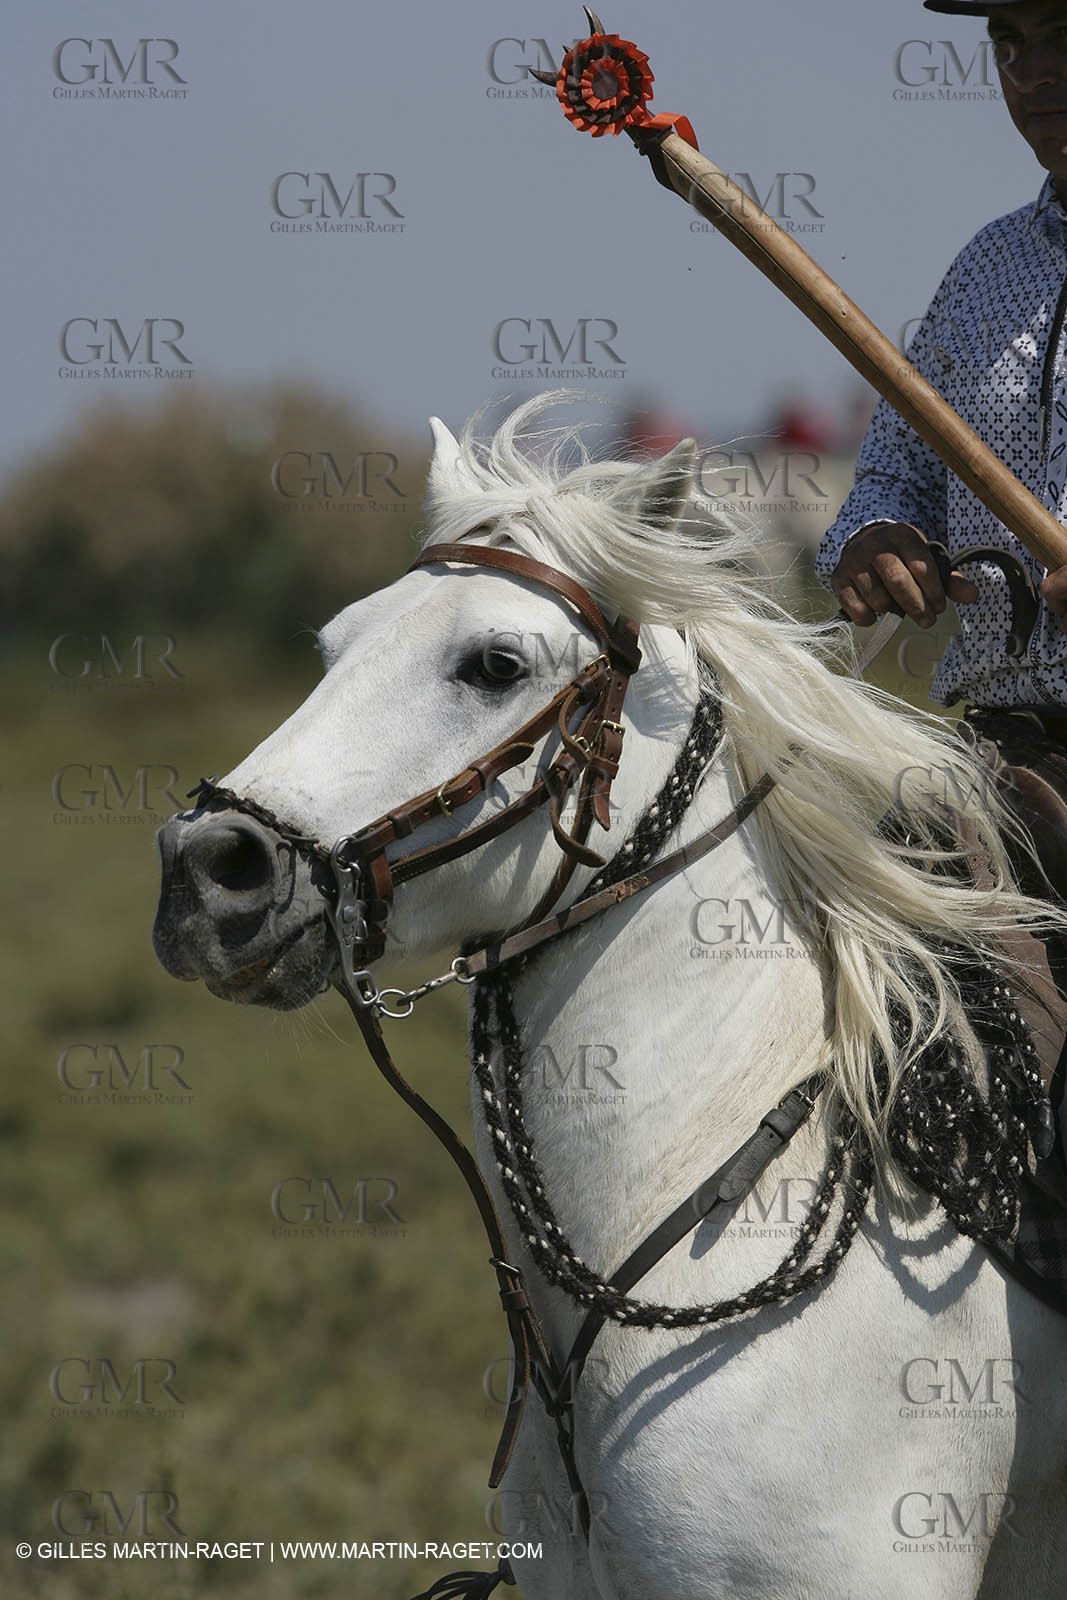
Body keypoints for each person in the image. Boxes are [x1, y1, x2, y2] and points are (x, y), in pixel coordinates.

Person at [818, 0, 1067, 918]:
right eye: (1010, 43)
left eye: (1062, 38)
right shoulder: (984, 266)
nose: (1031, 73)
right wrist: (875, 535)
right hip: (1001, 769)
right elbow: (893, 474)